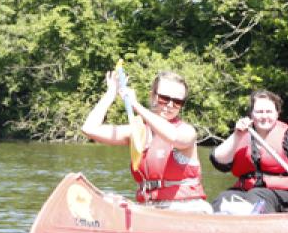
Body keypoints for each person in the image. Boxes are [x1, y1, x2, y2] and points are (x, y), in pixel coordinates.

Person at [81, 69, 213, 214]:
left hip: (186, 207)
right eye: (164, 98)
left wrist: (136, 106)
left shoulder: (186, 131)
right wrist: (110, 94)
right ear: (152, 96)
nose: (170, 105)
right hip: (150, 208)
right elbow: (89, 128)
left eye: (177, 102)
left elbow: (173, 137)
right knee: (110, 200)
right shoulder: (137, 131)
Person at [209, 89, 288, 214]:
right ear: (251, 114)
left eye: (269, 112)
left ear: (277, 113)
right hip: (248, 191)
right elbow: (219, 162)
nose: (264, 116)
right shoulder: (242, 135)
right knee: (222, 199)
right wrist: (237, 135)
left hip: (287, 195)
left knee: (258, 195)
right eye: (259, 112)